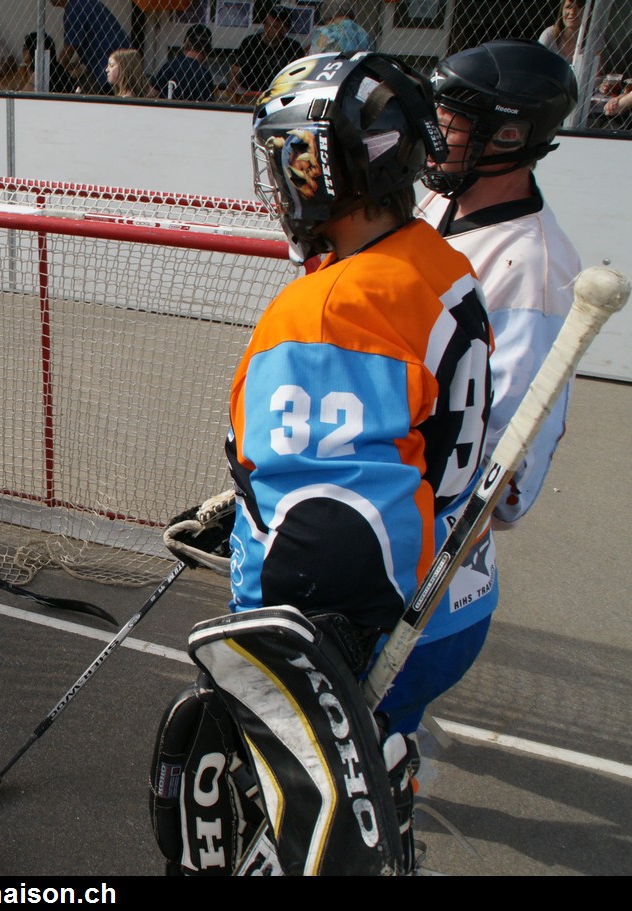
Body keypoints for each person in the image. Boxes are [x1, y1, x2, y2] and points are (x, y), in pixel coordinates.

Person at [156, 51, 490, 877]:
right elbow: (391, 454)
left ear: (323, 164)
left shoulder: (329, 307)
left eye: (285, 157)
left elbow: (333, 542)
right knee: (378, 802)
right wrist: (249, 499)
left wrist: (281, 635)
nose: (277, 181)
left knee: (308, 837)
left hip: (358, 639)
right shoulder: (432, 261)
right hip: (449, 603)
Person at [385, 40, 582, 737]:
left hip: (433, 518)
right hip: (397, 481)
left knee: (383, 704)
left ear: (510, 136)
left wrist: (461, 517)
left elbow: (512, 434)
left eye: (456, 119)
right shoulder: (439, 199)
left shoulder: (532, 264)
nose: (437, 130)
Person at [49, 0, 131, 94]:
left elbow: (69, 50)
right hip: (122, 59)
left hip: (108, 66)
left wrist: (56, 69)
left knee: (109, 97)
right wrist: (76, 63)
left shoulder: (74, 9)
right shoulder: (83, 3)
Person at [226, 4, 304, 101]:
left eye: (275, 27)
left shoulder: (293, 48)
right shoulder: (250, 42)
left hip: (278, 96)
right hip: (250, 95)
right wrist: (233, 80)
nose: (269, 29)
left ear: (285, 29)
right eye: (267, 24)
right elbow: (235, 68)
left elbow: (300, 75)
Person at [154, 24, 213, 102]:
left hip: (168, 109)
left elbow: (152, 93)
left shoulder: (170, 66)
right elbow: (207, 104)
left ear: (185, 43)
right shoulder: (204, 74)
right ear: (207, 49)